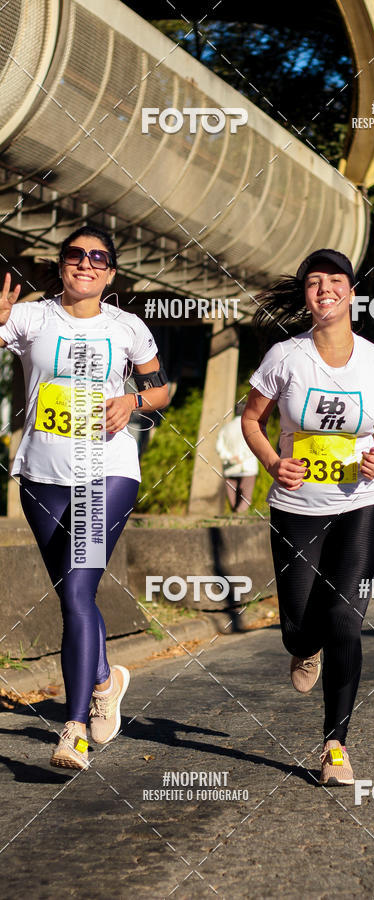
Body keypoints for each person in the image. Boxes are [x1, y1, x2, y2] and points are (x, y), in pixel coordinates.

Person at [242, 248, 374, 786]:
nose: (324, 290)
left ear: (351, 292)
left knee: (344, 618)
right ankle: (303, 647)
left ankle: (335, 745)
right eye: (314, 283)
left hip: (363, 502)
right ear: (308, 296)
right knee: (297, 625)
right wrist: (273, 461)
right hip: (297, 507)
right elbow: (251, 420)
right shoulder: (284, 357)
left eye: (334, 281)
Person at [0, 225, 169, 769]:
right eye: (77, 255)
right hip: (41, 474)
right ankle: (103, 679)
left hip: (108, 471)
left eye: (99, 258)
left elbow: (162, 387)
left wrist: (134, 401)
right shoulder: (29, 316)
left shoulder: (128, 327)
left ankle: (72, 729)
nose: (87, 265)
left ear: (111, 273)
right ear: (62, 264)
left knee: (77, 593)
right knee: (71, 592)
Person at [216, 400, 258, 513]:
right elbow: (256, 446)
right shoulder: (251, 427)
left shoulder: (225, 429)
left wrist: (231, 457)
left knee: (232, 497)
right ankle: (238, 516)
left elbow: (219, 447)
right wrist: (241, 457)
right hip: (247, 467)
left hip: (230, 467)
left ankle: (234, 515)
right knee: (245, 497)